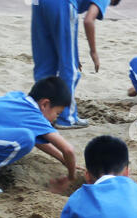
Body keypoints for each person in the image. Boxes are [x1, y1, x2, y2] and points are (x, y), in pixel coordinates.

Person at [0, 77, 78, 195]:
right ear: (45, 104)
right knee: (24, 139)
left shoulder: (18, 98)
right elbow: (68, 149)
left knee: (24, 137)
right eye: (58, 113)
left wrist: (64, 160)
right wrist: (71, 177)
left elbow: (39, 140)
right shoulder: (31, 114)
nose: (56, 118)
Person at [31, 0, 121, 129]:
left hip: (38, 3)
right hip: (63, 4)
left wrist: (73, 55)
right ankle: (67, 118)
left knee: (44, 66)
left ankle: (40, 115)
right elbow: (88, 20)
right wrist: (93, 52)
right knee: (70, 71)